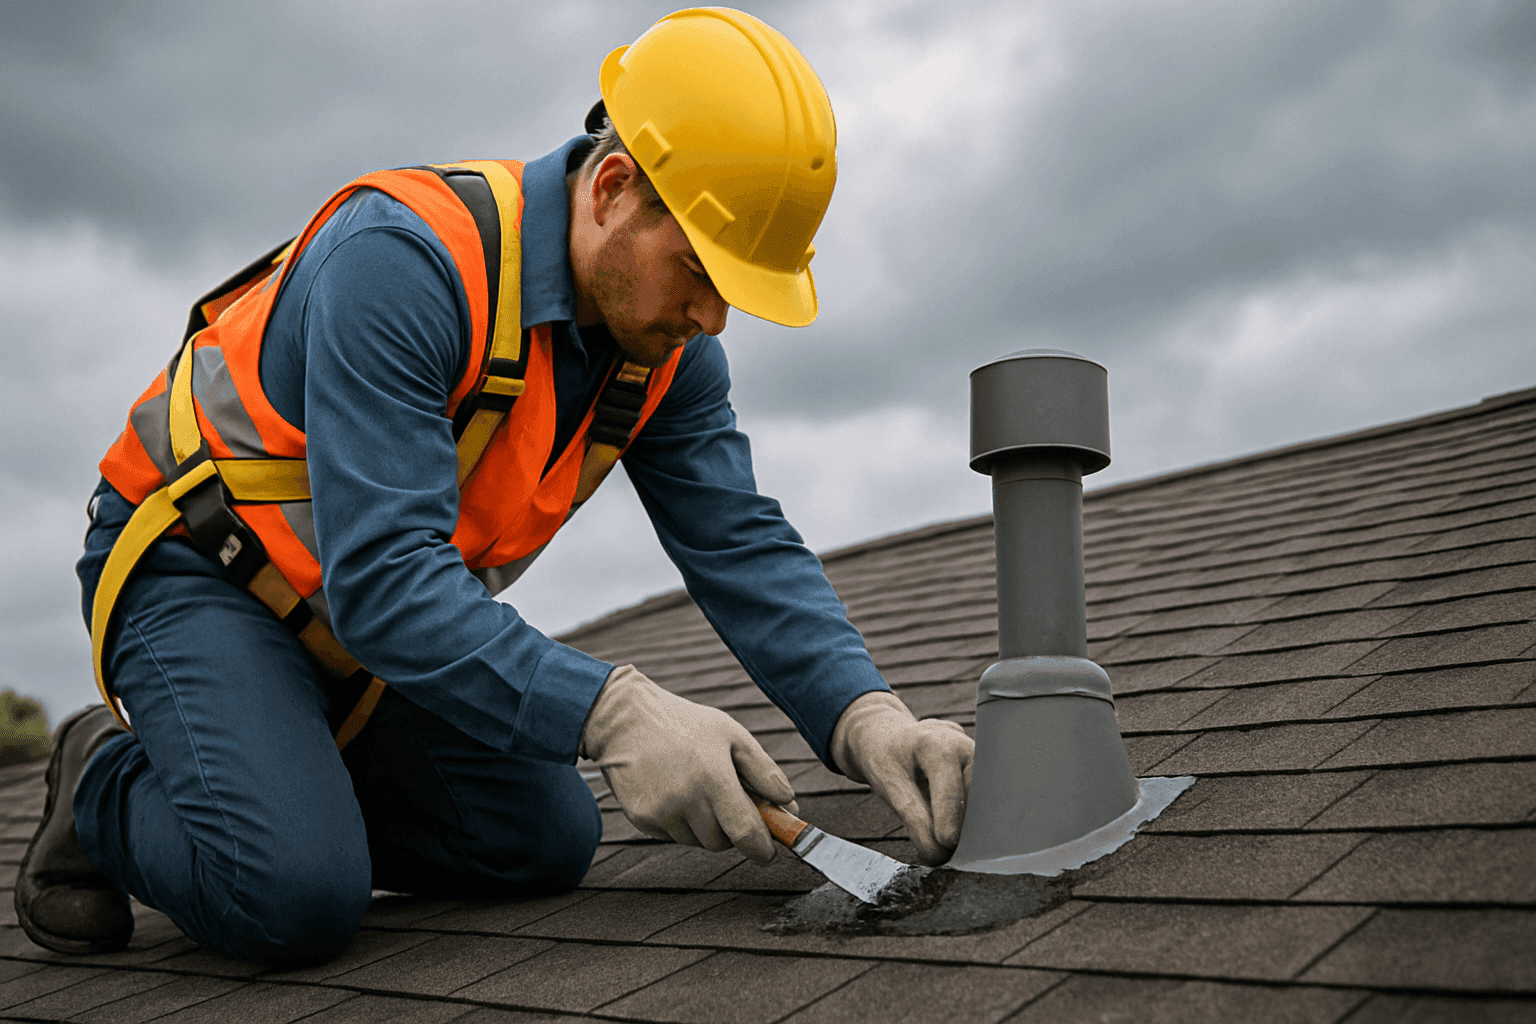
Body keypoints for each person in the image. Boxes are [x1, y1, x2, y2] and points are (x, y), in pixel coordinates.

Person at [17, 8, 974, 966]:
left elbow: (740, 544)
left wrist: (867, 717)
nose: (713, 317)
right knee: (296, 896)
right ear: (611, 188)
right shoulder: (403, 263)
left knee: (547, 838)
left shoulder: (665, 355)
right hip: (201, 568)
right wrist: (612, 710)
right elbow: (389, 578)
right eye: (698, 269)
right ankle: (101, 773)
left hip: (348, 626)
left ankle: (273, 771)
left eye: (736, 290)